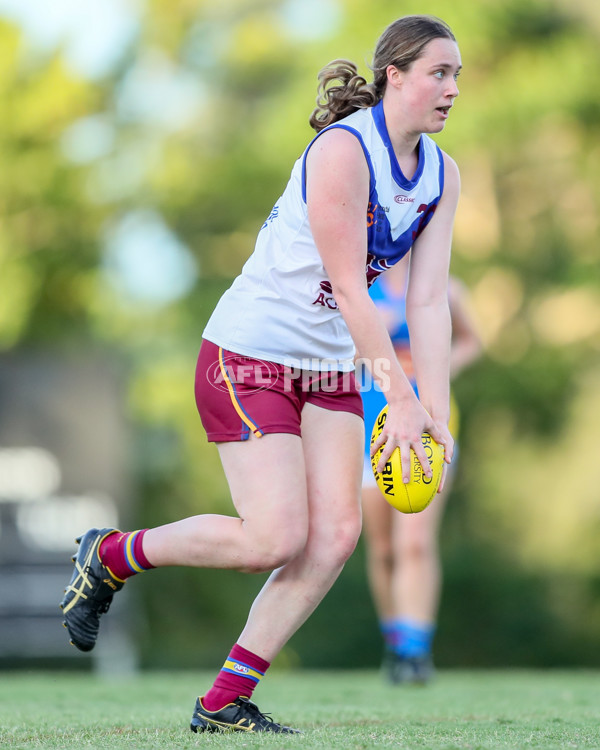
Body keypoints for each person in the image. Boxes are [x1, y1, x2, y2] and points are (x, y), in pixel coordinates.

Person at [60, 15, 462, 734]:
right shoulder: (344, 152)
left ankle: (223, 704)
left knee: (334, 537)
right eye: (439, 72)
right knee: (273, 539)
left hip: (330, 365)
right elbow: (348, 287)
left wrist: (432, 406)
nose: (452, 88)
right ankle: (111, 554)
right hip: (250, 354)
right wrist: (394, 396)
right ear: (393, 75)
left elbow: (428, 298)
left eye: (457, 75)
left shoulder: (441, 174)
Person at [359, 255, 481, 685]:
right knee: (382, 548)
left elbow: (471, 341)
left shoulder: (445, 287)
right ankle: (395, 643)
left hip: (430, 425)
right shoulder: (358, 285)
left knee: (414, 540)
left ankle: (415, 652)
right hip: (369, 425)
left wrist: (435, 370)